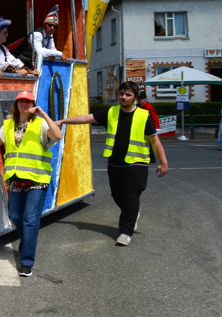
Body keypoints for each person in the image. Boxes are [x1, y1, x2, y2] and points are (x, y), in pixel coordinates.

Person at [57, 81, 168, 246]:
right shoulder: (111, 112)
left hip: (137, 163)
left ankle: (125, 233)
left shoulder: (143, 116)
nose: (124, 97)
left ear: (135, 98)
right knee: (117, 195)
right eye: (122, 93)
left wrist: (163, 163)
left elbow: (155, 141)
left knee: (131, 196)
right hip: (115, 162)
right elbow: (87, 118)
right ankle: (132, 213)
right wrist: (63, 121)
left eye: (128, 94)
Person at [0, 90, 61, 277]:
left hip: (37, 179)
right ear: (17, 103)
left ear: (33, 104)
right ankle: (27, 240)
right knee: (15, 216)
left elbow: (58, 136)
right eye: (21, 101)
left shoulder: (41, 124)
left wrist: (43, 113)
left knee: (30, 220)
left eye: (28, 101)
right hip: (14, 179)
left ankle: (26, 262)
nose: (24, 104)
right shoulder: (9, 124)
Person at [136, 91, 160, 163]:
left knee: (150, 143)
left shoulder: (148, 107)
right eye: (138, 99)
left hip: (150, 127)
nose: (139, 101)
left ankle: (152, 158)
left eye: (140, 99)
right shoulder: (142, 106)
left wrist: (156, 127)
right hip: (145, 127)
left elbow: (154, 117)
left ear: (144, 99)